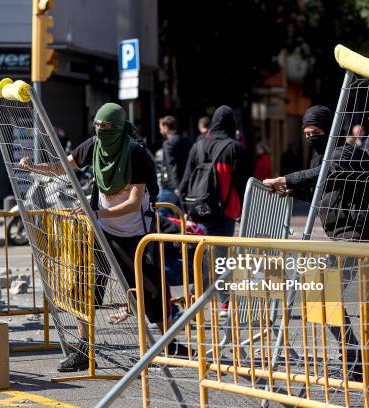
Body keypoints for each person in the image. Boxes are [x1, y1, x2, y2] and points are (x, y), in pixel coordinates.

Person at [20, 103, 184, 372]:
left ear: (119, 128)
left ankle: (170, 345)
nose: (101, 131)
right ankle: (84, 351)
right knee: (83, 288)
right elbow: (65, 166)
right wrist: (36, 167)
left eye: (107, 127)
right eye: (97, 125)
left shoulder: (136, 154)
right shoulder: (94, 146)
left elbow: (133, 202)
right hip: (101, 231)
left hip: (136, 235)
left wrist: (95, 213)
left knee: (151, 292)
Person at [262, 105, 369, 380]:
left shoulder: (343, 152)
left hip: (354, 232)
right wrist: (292, 190)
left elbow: (328, 175)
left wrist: (285, 179)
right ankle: (354, 356)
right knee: (323, 295)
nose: (310, 137)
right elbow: (325, 191)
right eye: (306, 133)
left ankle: (355, 357)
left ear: (329, 130)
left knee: (321, 294)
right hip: (343, 233)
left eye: (315, 132)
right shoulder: (324, 155)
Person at [180, 105, 250, 317]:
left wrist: (186, 209)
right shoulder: (235, 148)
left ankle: (193, 298)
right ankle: (224, 304)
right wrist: (242, 211)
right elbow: (244, 184)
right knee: (221, 258)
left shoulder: (197, 146)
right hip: (225, 211)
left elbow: (185, 182)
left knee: (201, 257)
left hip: (197, 210)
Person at [158, 116, 193, 216]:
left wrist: (176, 186)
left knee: (160, 212)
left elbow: (171, 166)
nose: (160, 130)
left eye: (161, 127)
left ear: (166, 127)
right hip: (186, 183)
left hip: (172, 185)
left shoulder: (168, 144)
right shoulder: (187, 141)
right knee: (181, 214)